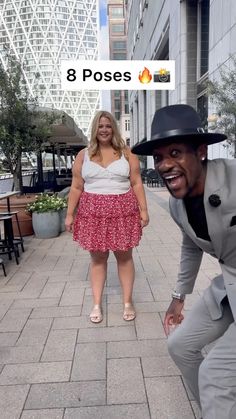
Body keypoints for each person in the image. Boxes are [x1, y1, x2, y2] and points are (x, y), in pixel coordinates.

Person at [132, 104, 236, 419]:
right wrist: (178, 297)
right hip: (228, 289)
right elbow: (191, 245)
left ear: (200, 152)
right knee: (180, 346)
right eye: (159, 157)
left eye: (175, 153)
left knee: (216, 375)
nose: (165, 165)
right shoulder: (178, 206)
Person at [65, 110, 149, 324]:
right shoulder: (83, 155)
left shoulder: (127, 153)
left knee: (124, 257)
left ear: (114, 129)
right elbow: (76, 187)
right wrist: (69, 215)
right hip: (93, 214)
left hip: (123, 213)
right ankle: (96, 303)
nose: (104, 130)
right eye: (100, 126)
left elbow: (136, 182)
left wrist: (144, 210)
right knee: (98, 259)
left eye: (108, 126)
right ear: (95, 129)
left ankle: (128, 302)